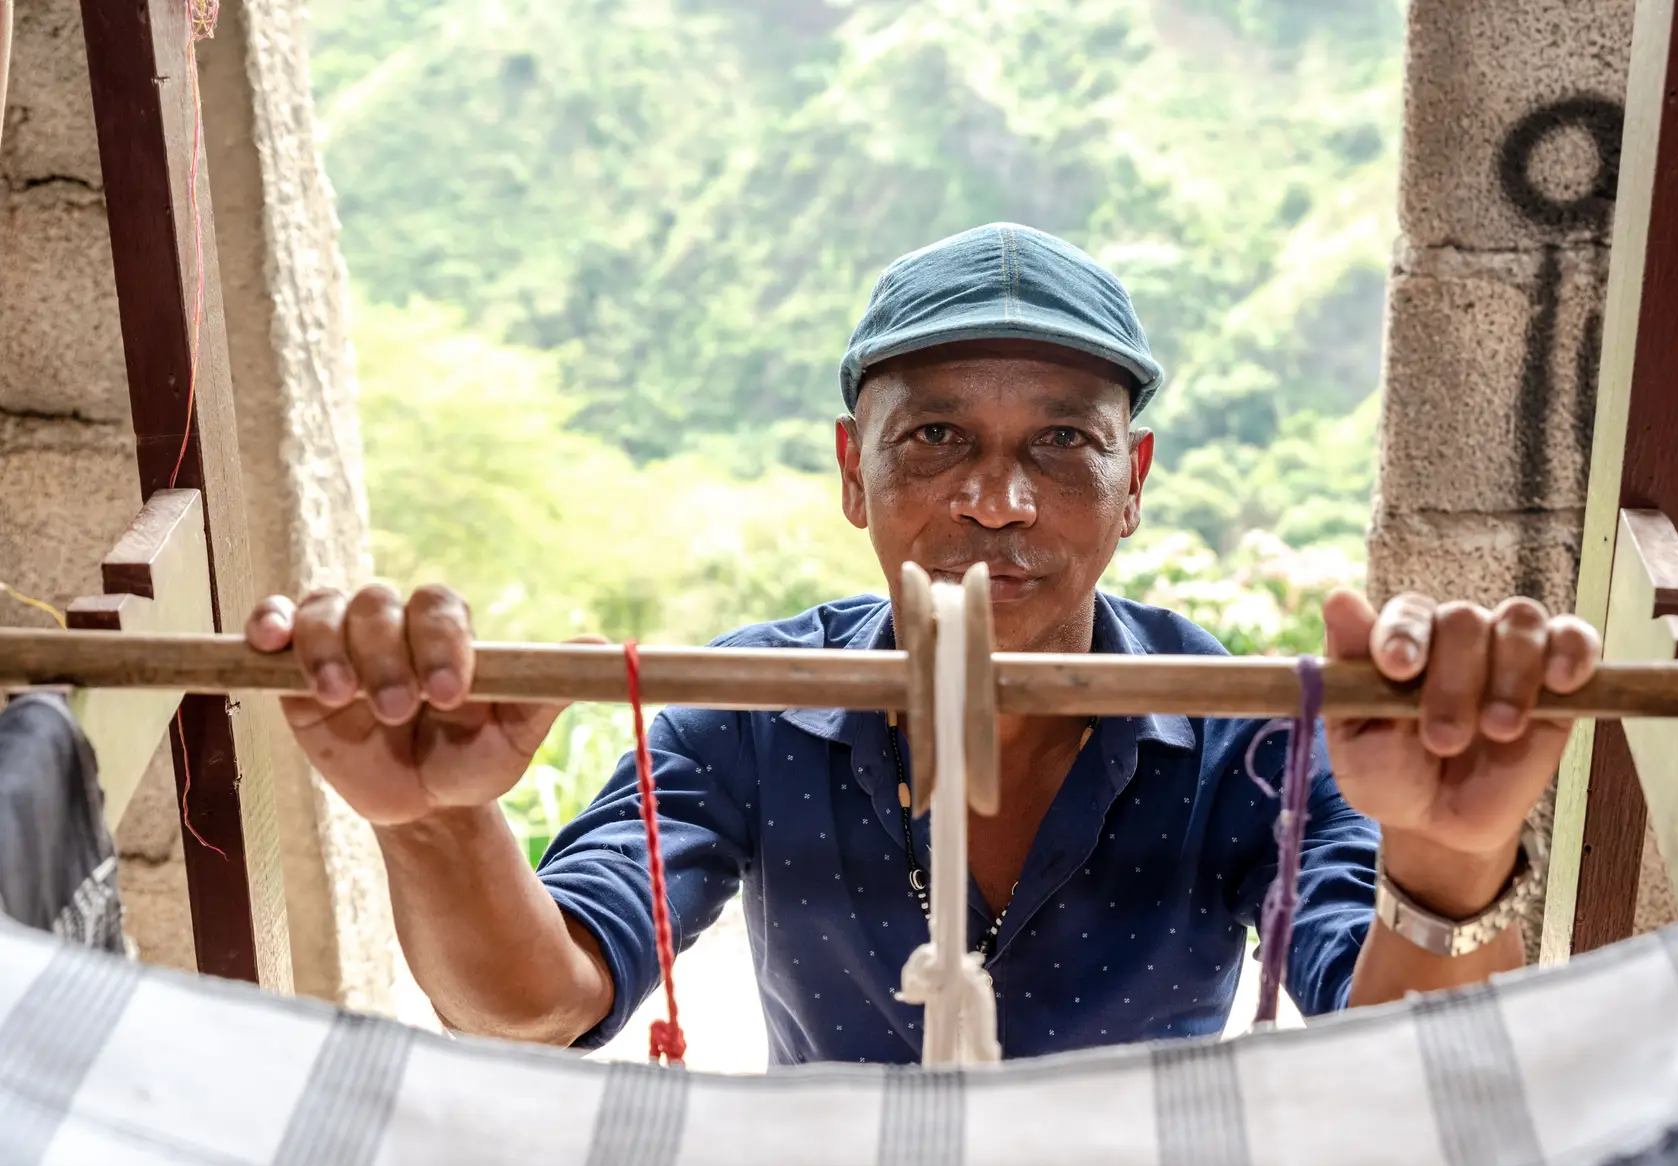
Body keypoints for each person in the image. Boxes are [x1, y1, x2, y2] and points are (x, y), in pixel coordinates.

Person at [245, 223, 1599, 1065]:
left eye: (1061, 444)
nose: (996, 504)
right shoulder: (752, 705)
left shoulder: (1248, 728)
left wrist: (1454, 852)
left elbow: (1394, 1046)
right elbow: (544, 1001)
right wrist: (432, 824)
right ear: (855, 473)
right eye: (937, 439)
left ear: (1137, 484)